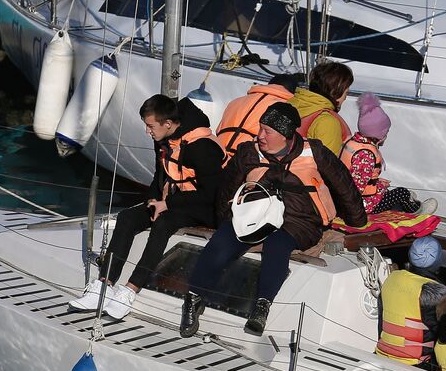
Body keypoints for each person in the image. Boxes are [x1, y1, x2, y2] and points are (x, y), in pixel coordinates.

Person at [180, 101, 366, 338]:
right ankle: (194, 297)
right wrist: (227, 222)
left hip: (299, 220)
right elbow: (226, 191)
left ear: (286, 136)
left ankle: (261, 306)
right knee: (222, 241)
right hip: (256, 216)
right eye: (260, 129)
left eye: (267, 131)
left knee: (278, 244)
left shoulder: (315, 152)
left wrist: (358, 222)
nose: (261, 136)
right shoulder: (249, 153)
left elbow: (344, 186)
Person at [72, 94, 223, 319]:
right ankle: (104, 284)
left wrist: (167, 204)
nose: (147, 131)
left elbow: (211, 194)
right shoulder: (162, 140)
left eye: (150, 126)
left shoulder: (201, 148)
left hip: (205, 206)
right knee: (127, 217)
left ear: (168, 124)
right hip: (174, 200)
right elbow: (159, 176)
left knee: (163, 223)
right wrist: (153, 201)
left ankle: (130, 290)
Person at [340, 92, 437, 216]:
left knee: (391, 190)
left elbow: (355, 176)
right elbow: (357, 187)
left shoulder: (353, 143)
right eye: (386, 133)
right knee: (400, 193)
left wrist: (377, 183)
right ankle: (416, 210)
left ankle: (407, 200)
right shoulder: (366, 155)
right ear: (378, 135)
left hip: (348, 201)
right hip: (361, 206)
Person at [375, 236, 446, 369]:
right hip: (417, 364)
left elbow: (381, 321)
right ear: (438, 261)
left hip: (383, 354)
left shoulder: (392, 279)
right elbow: (444, 336)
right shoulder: (435, 292)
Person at [214, 73, 302, 156]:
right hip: (245, 158)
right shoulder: (283, 108)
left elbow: (219, 130)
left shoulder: (236, 101)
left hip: (217, 153)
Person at [289, 61, 354, 153]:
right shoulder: (328, 123)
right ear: (334, 91)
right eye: (346, 93)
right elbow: (328, 164)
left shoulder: (291, 104)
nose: (345, 98)